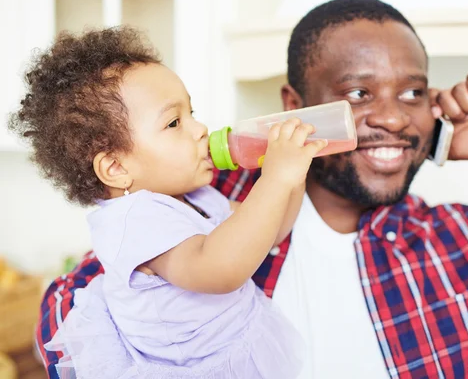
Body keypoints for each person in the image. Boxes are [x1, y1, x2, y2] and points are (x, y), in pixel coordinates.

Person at [34, 0, 468, 379]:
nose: (396, 119)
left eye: (412, 94)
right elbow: (72, 311)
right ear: (294, 107)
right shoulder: (204, 202)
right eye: (358, 94)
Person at [10, 27, 331, 378]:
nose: (200, 129)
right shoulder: (135, 221)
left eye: (193, 113)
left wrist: (294, 177)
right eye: (175, 122)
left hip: (240, 345)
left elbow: (268, 233)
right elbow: (220, 269)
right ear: (116, 167)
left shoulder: (196, 195)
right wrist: (276, 179)